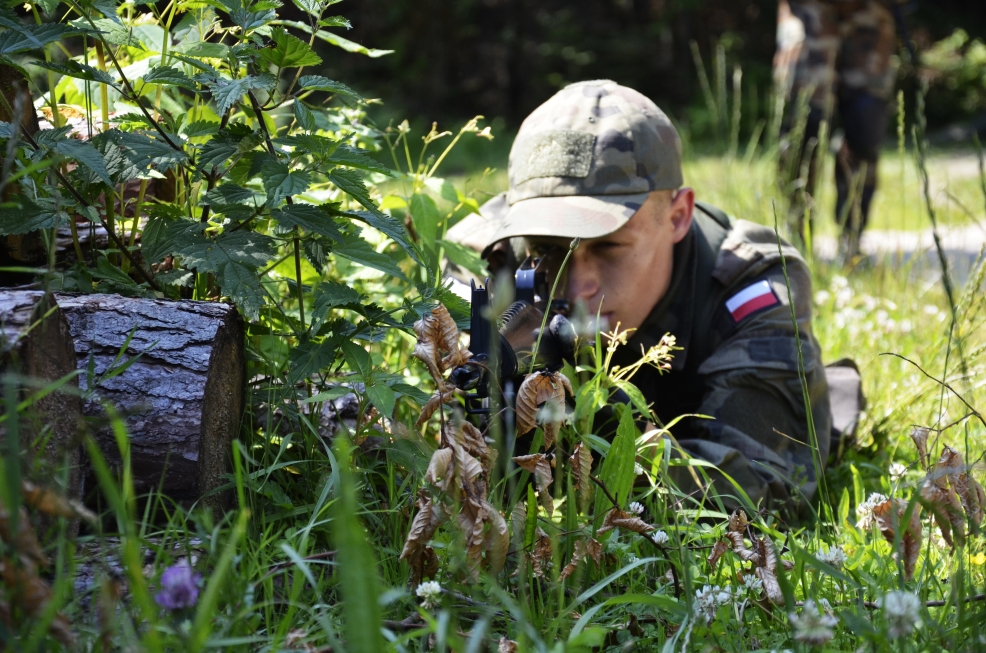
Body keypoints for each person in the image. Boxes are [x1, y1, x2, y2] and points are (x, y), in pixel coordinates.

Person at [463, 79, 834, 516]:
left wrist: (594, 435)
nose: (578, 285)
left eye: (608, 247)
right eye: (548, 248)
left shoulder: (746, 285)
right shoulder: (494, 256)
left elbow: (759, 485)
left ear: (677, 216)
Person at [774, 0, 899, 260]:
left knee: (866, 122)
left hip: (871, 11)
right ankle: (795, 241)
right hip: (807, 11)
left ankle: (852, 243)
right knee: (803, 126)